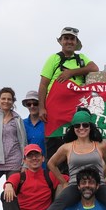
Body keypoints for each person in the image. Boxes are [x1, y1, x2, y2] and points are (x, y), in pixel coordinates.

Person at [38, 27, 98, 159]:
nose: (69, 41)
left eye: (72, 39)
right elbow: (43, 84)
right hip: (55, 109)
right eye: (66, 38)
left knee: (75, 143)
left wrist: (71, 72)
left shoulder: (81, 58)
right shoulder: (53, 59)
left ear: (76, 42)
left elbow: (94, 68)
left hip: (75, 109)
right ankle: (54, 177)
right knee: (54, 144)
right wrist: (41, 108)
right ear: (60, 41)